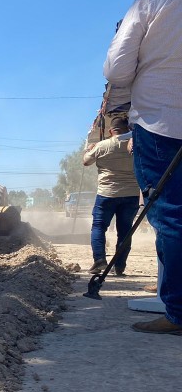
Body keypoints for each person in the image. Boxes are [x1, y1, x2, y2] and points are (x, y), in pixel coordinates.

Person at [104, 0, 182, 335]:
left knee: (171, 217)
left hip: (162, 123)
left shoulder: (152, 1)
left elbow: (117, 69)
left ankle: (179, 312)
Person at [82, 116, 140, 275]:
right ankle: (120, 267)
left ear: (110, 131)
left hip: (107, 194)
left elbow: (86, 162)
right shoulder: (137, 144)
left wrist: (89, 150)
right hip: (131, 194)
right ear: (128, 128)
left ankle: (100, 260)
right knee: (125, 230)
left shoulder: (102, 145)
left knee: (99, 227)